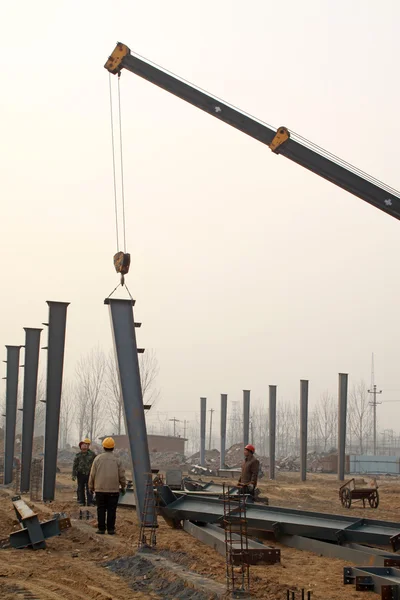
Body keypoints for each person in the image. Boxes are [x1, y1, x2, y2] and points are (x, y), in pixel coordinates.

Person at [89, 437, 126, 535]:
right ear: (113, 447)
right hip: (113, 490)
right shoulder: (117, 460)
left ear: (103, 447)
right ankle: (111, 529)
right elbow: (121, 475)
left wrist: (90, 487)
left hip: (99, 489)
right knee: (111, 510)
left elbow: (92, 474)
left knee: (101, 509)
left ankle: (101, 529)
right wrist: (123, 486)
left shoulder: (97, 459)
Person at [72, 439, 96, 506]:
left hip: (89, 474)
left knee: (89, 488)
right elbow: (75, 465)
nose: (85, 446)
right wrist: (73, 475)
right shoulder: (78, 455)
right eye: (83, 445)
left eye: (86, 445)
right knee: (80, 488)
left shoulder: (92, 454)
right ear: (80, 447)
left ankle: (90, 502)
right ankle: (81, 501)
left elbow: (96, 463)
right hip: (80, 474)